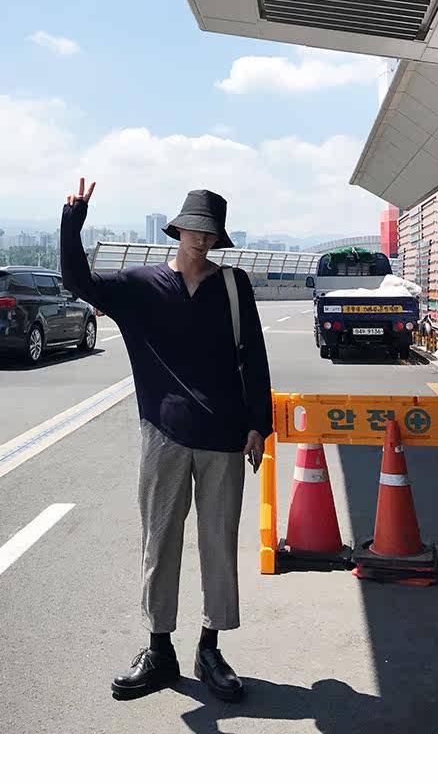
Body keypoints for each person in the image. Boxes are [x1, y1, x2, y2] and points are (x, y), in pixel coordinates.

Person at [61, 179, 273, 703]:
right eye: (194, 229)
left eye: (210, 232)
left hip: (225, 436)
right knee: (160, 541)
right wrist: (72, 223)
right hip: (164, 434)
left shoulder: (233, 287)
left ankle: (210, 648)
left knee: (219, 544)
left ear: (218, 238)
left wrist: (258, 423)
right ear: (177, 231)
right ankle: (159, 649)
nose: (201, 239)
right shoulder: (141, 284)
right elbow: (79, 281)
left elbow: (254, 355)